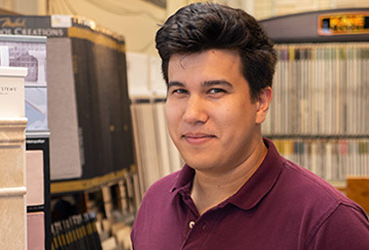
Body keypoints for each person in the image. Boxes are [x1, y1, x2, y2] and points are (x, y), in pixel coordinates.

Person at [130, 2, 369, 250]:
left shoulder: (329, 224)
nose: (192, 114)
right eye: (180, 91)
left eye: (215, 91)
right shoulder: (154, 202)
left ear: (261, 103)